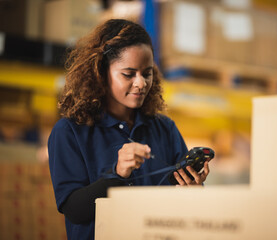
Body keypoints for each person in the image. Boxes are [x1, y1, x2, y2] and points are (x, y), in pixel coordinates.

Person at [48, 19, 210, 240]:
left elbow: (180, 206)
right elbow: (74, 211)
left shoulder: (166, 128)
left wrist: (193, 191)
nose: (141, 83)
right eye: (129, 74)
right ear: (101, 73)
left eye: (147, 73)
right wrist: (117, 174)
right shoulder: (69, 132)